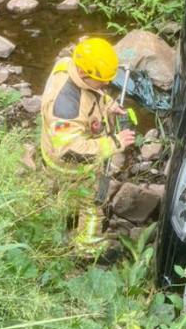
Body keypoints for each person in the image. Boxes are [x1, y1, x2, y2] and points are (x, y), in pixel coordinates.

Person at [40, 37, 135, 255]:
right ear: (84, 74)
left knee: (69, 196)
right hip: (71, 164)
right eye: (102, 80)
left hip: (57, 145)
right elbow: (70, 150)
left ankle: (68, 221)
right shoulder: (66, 109)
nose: (106, 85)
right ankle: (88, 250)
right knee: (94, 202)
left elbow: (92, 93)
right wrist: (115, 143)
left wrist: (109, 106)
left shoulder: (69, 65)